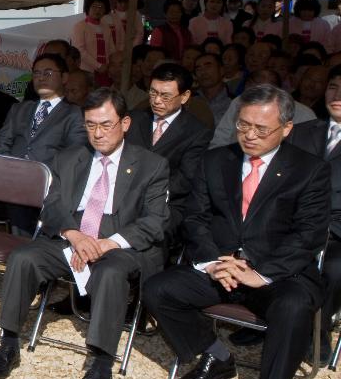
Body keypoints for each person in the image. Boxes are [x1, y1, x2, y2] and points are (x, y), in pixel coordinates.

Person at [143, 85, 330, 379]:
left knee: (294, 307)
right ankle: (217, 356)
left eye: (262, 129)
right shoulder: (216, 161)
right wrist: (215, 262)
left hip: (278, 273)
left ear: (287, 129)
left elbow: (309, 236)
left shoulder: (309, 170)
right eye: (243, 126)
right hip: (221, 264)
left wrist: (258, 270)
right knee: (158, 289)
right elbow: (195, 219)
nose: (249, 136)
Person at [0, 88, 169, 379]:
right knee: (24, 257)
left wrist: (109, 243)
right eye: (91, 125)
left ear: (125, 123)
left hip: (122, 243)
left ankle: (100, 364)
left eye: (106, 124)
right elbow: (52, 205)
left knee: (110, 273)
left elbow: (155, 221)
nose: (98, 133)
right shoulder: (69, 157)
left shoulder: (151, 165)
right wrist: (74, 234)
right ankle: (9, 342)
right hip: (75, 234)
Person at [0, 53, 87, 234]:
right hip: (9, 178)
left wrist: (32, 176)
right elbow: (1, 144)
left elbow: (74, 156)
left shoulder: (74, 114)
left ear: (64, 77)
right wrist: (11, 171)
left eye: (48, 73)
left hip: (46, 184)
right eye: (37, 73)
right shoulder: (19, 108)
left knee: (20, 202)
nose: (41, 78)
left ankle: (19, 255)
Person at [285, 64, 341, 357]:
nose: (338, 95)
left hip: (335, 233)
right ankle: (269, 316)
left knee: (333, 269)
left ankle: (316, 331)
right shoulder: (302, 132)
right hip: (292, 222)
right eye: (333, 87)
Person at [125, 63, 213, 244]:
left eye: (165, 96)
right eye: (152, 93)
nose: (157, 101)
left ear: (184, 96)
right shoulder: (133, 119)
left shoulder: (196, 131)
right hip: (123, 196)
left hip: (167, 203)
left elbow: (186, 177)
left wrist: (148, 194)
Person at [209, 70, 316, 147]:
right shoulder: (239, 101)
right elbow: (220, 139)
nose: (251, 135)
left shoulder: (304, 114)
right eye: (250, 90)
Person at [71, 0, 116, 84]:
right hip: (86, 70)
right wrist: (98, 66)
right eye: (94, 6)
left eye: (101, 7)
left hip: (105, 70)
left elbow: (112, 49)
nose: (97, 10)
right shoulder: (79, 26)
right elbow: (79, 50)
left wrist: (111, 65)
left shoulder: (106, 27)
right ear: (88, 8)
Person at [192, 52, 234, 122]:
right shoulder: (190, 102)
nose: (203, 72)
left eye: (208, 66)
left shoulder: (233, 103)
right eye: (198, 69)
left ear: (221, 70)